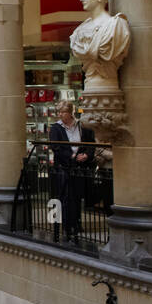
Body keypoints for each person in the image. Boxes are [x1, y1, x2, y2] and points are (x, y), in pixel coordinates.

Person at [49, 102, 95, 243]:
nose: (60, 114)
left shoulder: (82, 126)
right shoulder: (56, 128)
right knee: (63, 198)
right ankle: (63, 228)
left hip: (79, 167)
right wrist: (71, 156)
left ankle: (75, 225)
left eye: (62, 112)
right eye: (59, 112)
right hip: (63, 168)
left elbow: (91, 144)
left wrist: (86, 155)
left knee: (76, 198)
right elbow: (56, 147)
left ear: (70, 113)